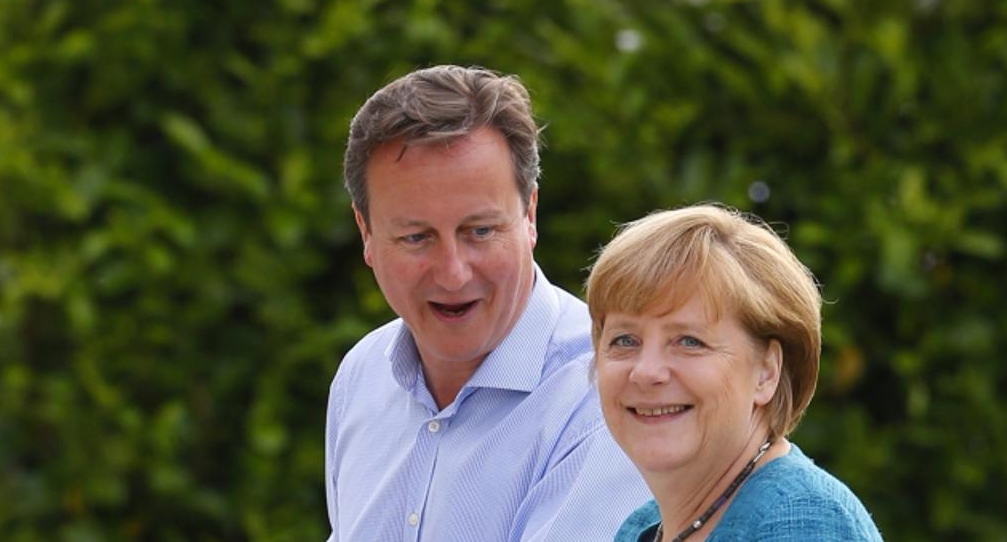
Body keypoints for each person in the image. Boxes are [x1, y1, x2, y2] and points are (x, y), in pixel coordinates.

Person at [325, 65, 649, 541]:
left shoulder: (606, 394)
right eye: (416, 238)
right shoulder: (361, 376)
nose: (453, 272)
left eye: (480, 231)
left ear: (530, 214)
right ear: (366, 234)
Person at [587, 204, 883, 541]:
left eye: (689, 341)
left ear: (767, 372)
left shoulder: (803, 522)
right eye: (625, 339)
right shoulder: (639, 529)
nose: (646, 371)